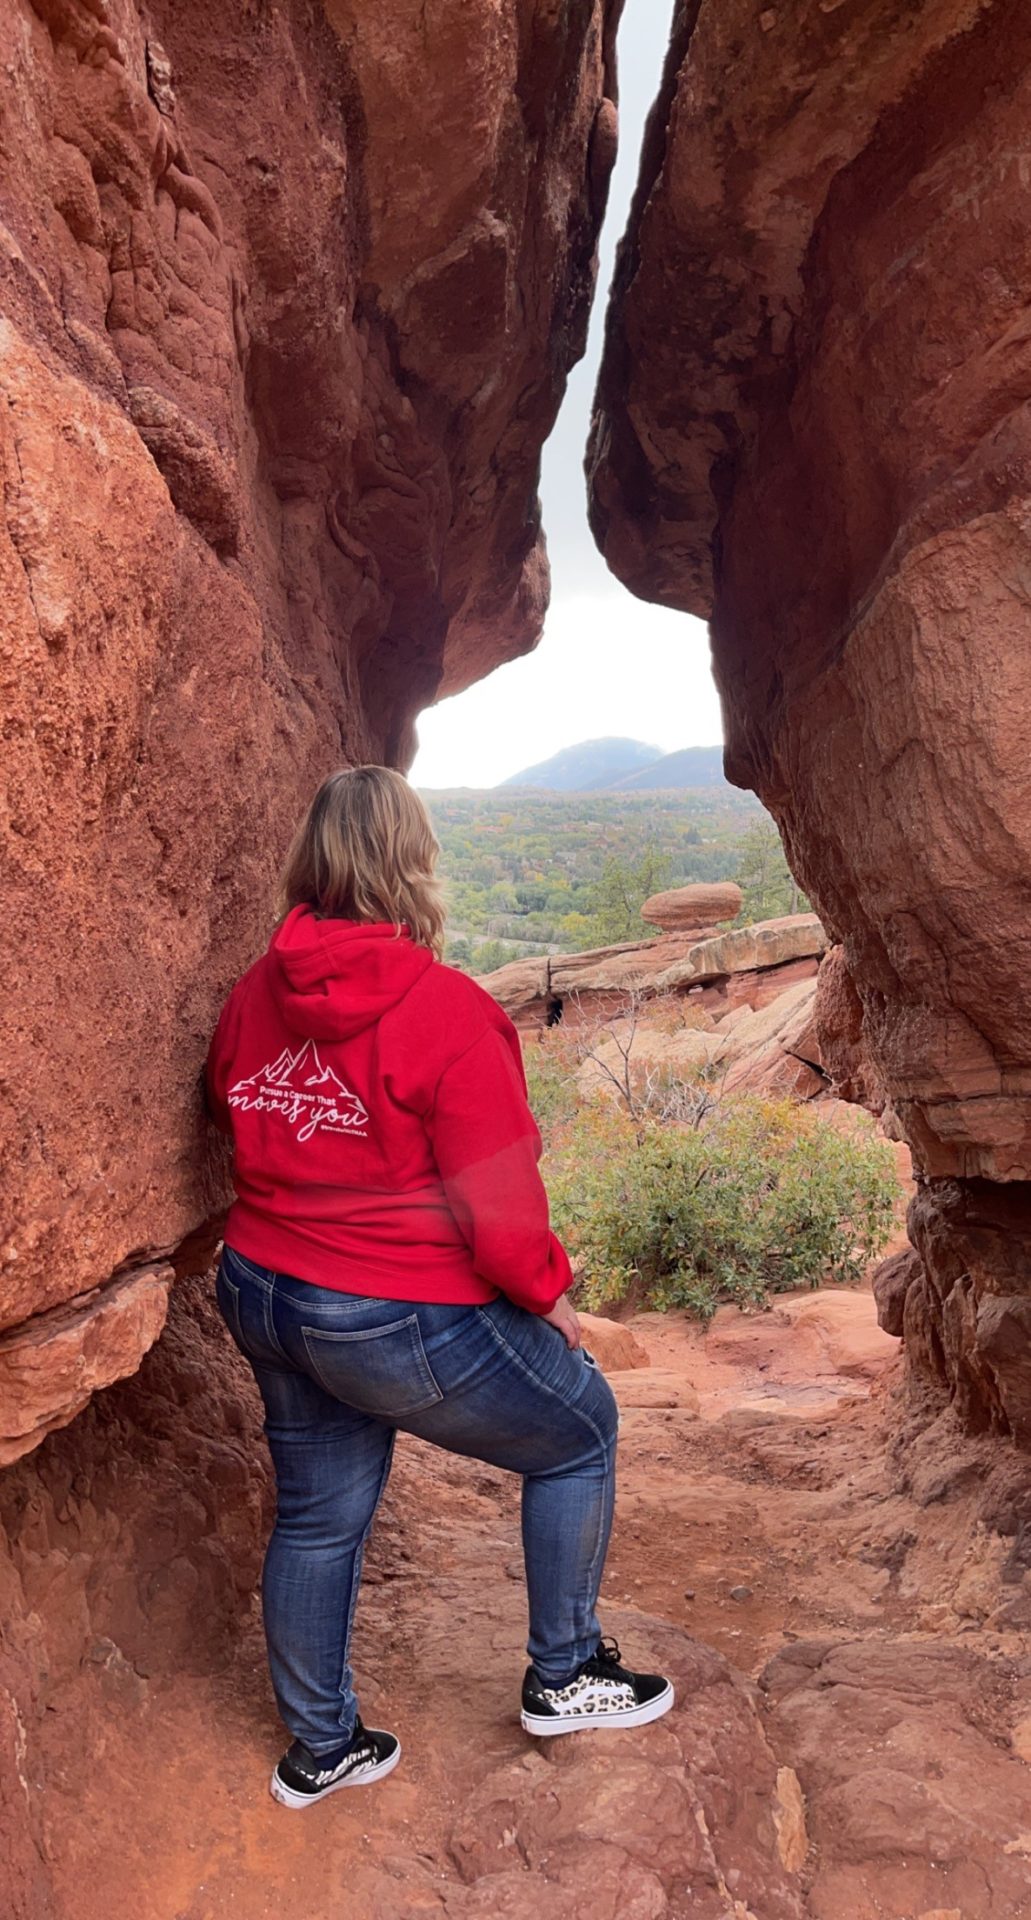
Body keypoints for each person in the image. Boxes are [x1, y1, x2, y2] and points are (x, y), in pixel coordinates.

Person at [205, 766, 673, 1810]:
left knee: (319, 1516)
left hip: (261, 1288)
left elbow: (231, 1110)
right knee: (580, 1428)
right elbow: (501, 1216)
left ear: (313, 860)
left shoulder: (251, 995)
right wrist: (549, 1296)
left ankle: (322, 1748)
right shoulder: (445, 1011)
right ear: (410, 862)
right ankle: (565, 1674)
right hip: (382, 1311)